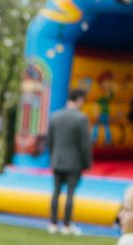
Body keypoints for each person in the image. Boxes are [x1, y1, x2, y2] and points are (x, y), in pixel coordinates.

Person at [47, 88, 92, 235]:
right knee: (70, 193)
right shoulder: (81, 118)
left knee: (56, 192)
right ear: (79, 100)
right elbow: (85, 144)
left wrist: (53, 158)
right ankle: (66, 225)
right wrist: (87, 163)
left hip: (57, 160)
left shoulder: (54, 116)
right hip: (74, 162)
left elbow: (50, 141)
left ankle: (53, 223)